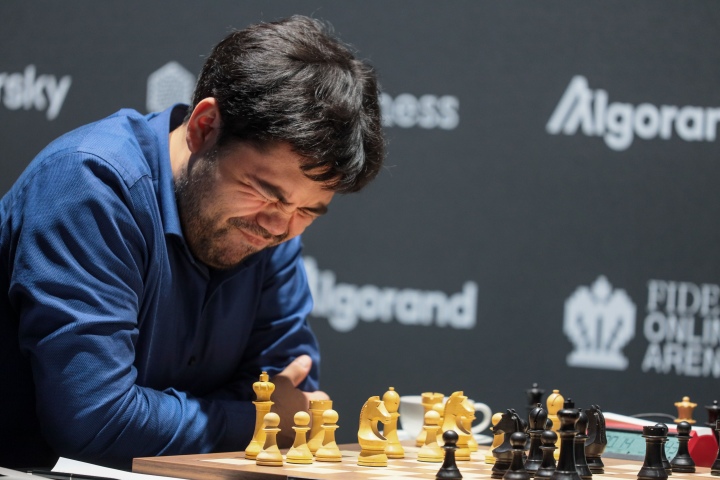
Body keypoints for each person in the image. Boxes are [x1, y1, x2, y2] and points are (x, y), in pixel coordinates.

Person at [0, 15, 384, 470]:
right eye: (265, 192)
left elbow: (287, 388)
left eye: (307, 212)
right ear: (204, 126)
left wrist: (161, 413)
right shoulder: (92, 185)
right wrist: (256, 422)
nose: (279, 228)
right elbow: (94, 420)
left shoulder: (273, 228)